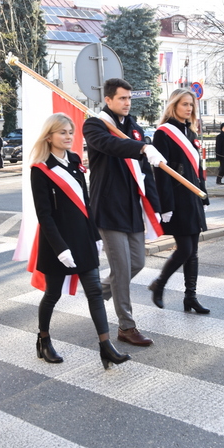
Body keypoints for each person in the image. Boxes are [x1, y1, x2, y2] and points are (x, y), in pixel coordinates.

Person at [29, 113, 131, 369]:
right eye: (62, 132)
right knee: (52, 294)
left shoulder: (75, 161)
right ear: (49, 136)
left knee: (95, 293)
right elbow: (44, 215)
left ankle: (105, 346)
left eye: (70, 132)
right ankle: (43, 339)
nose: (68, 137)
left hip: (83, 238)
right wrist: (60, 248)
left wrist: (95, 236)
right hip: (57, 243)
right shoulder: (40, 170)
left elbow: (85, 204)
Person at [83, 78, 166, 346]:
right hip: (108, 207)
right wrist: (140, 147)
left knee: (137, 263)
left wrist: (158, 207)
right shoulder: (94, 125)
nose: (127, 103)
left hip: (132, 207)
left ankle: (98, 292)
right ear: (108, 100)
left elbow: (146, 172)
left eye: (129, 98)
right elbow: (111, 146)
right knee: (121, 267)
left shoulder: (134, 128)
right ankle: (126, 327)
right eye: (122, 98)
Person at [147, 88, 211, 314]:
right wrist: (166, 206)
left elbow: (197, 167)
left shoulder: (190, 133)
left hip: (192, 197)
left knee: (192, 251)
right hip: (177, 200)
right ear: (173, 105)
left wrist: (203, 192)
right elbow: (161, 173)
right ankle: (159, 283)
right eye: (185, 104)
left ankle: (190, 297)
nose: (189, 108)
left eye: (191, 105)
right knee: (184, 249)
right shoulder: (163, 133)